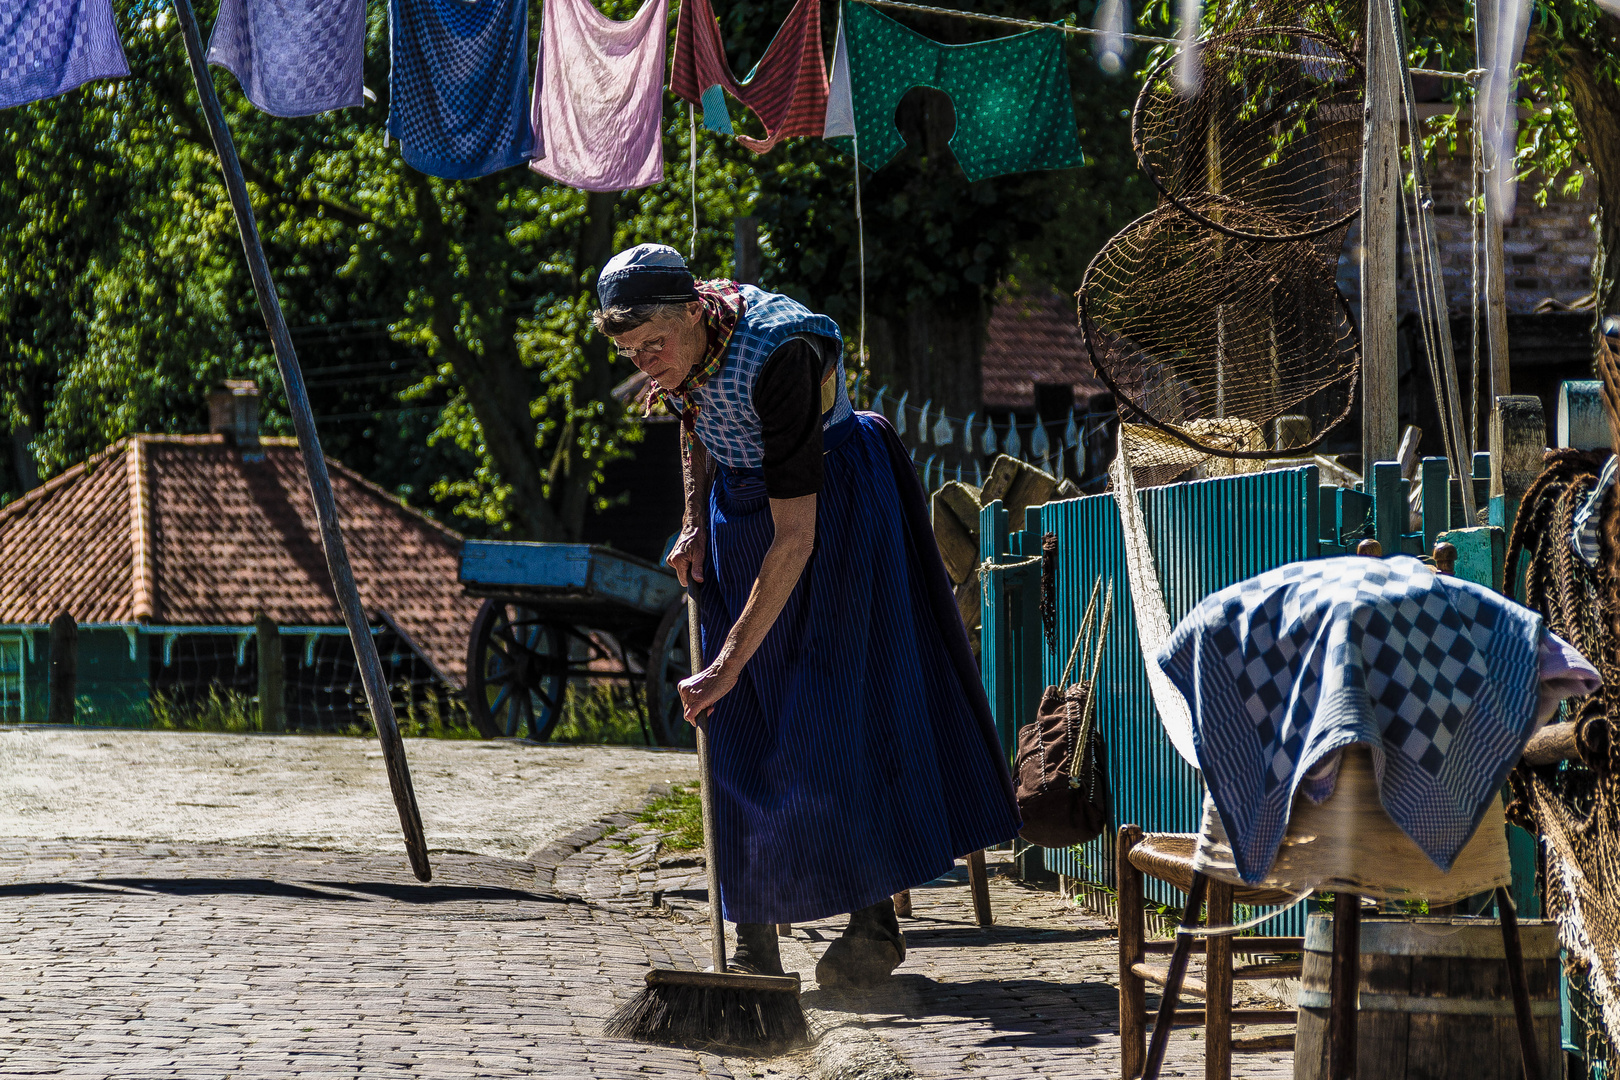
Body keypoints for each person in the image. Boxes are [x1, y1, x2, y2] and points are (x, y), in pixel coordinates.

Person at [592, 244, 1020, 987]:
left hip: (836, 512)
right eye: (632, 352)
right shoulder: (684, 343)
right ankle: (754, 946)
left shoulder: (780, 356)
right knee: (734, 721)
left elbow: (797, 537)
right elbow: (691, 414)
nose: (646, 364)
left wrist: (727, 663)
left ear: (695, 312)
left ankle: (870, 926)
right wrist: (695, 520)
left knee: (828, 711)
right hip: (742, 510)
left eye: (654, 345)